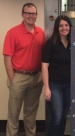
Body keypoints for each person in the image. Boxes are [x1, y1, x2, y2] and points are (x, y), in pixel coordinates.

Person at [2, 3, 45, 136]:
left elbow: (44, 56)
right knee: (14, 113)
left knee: (31, 113)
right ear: (22, 14)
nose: (31, 16)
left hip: (36, 77)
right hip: (18, 77)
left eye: (33, 13)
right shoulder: (12, 32)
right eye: (28, 13)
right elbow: (7, 57)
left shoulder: (40, 33)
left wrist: (42, 75)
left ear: (36, 15)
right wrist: (12, 79)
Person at [41, 15, 72, 136]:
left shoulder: (73, 42)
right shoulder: (50, 43)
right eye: (61, 25)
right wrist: (46, 87)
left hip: (69, 85)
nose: (64, 28)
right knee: (57, 117)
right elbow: (44, 66)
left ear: (70, 26)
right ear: (56, 27)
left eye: (66, 25)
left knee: (64, 116)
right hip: (54, 85)